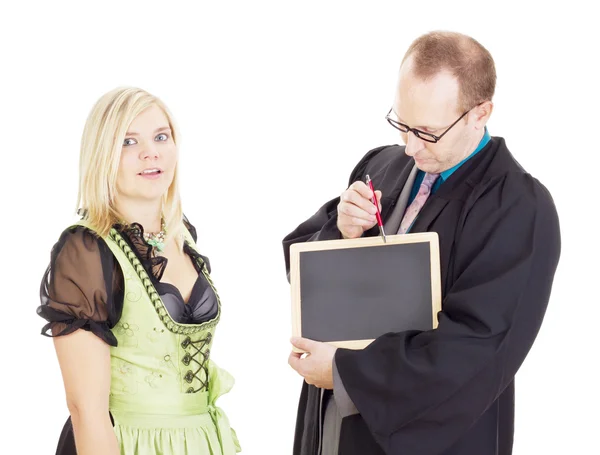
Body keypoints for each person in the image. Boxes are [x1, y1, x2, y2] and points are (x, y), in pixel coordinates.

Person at [282, 31, 561, 455]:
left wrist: (345, 372)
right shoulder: (383, 164)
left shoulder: (518, 206)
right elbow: (302, 268)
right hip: (336, 426)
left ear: (479, 113)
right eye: (402, 124)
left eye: (427, 132)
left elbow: (476, 350)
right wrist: (342, 230)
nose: (410, 146)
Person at [37, 87, 241, 455]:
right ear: (103, 155)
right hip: (125, 443)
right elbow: (87, 410)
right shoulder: (86, 251)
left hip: (200, 441)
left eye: (161, 136)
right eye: (129, 141)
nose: (152, 151)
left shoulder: (183, 236)